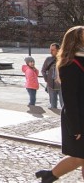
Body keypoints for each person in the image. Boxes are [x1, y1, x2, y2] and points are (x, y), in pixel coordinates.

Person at [36, 26, 84, 183]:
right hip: (78, 116)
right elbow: (69, 98)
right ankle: (50, 175)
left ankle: (49, 175)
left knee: (81, 157)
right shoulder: (70, 64)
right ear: (77, 40)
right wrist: (75, 126)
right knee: (79, 157)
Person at [41, 43, 63, 109]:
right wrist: (47, 79)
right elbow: (43, 70)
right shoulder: (48, 59)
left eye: (53, 50)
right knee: (53, 106)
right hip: (51, 85)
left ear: (58, 50)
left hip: (61, 85)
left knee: (64, 105)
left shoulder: (63, 59)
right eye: (50, 50)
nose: (50, 52)